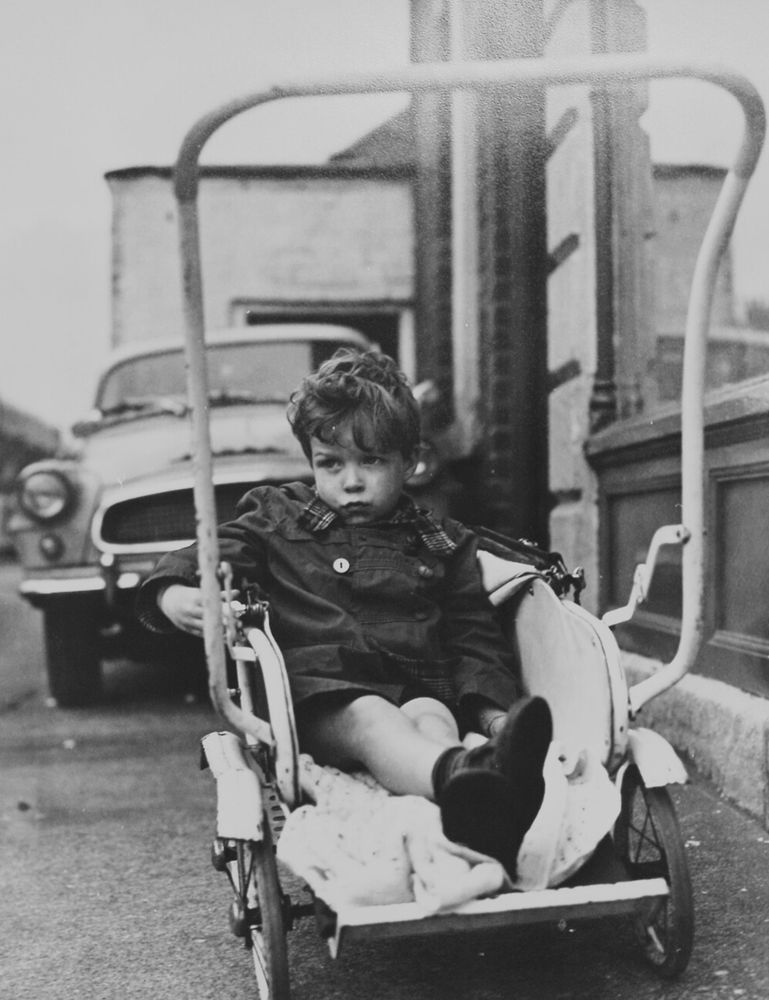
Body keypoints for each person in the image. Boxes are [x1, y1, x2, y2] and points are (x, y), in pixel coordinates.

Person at [137, 348, 552, 877]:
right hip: (324, 697)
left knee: (434, 718)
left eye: (372, 461)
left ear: (411, 462)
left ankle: (471, 801)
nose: (350, 482)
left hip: (417, 684)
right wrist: (173, 593)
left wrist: (495, 716)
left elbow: (473, 638)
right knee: (372, 718)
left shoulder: (442, 542)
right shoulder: (278, 517)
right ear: (310, 461)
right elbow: (214, 550)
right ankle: (458, 776)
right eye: (330, 463)